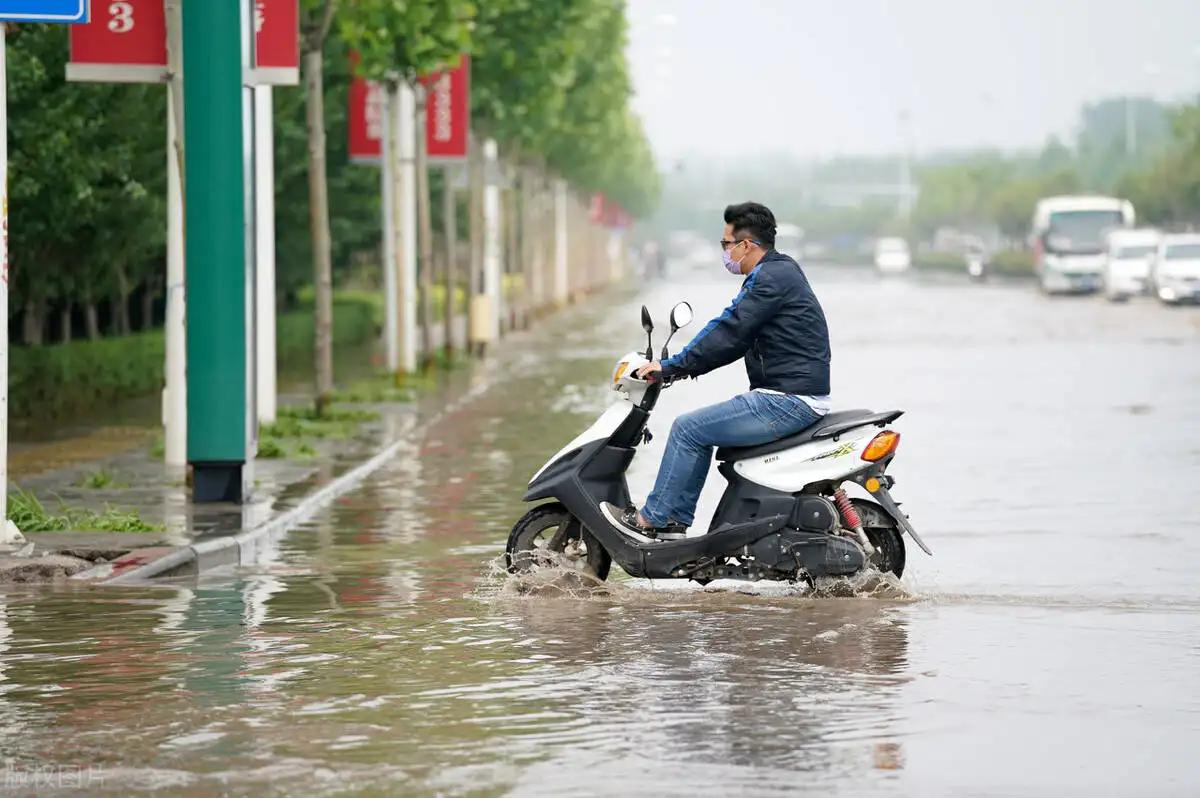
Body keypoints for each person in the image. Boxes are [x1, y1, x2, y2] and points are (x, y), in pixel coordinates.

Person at [601, 202, 832, 540]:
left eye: (726, 244)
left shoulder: (770, 278)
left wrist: (670, 366)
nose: (724, 251)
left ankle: (657, 519)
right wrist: (679, 367)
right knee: (698, 430)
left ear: (746, 245)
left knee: (688, 429)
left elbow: (728, 330)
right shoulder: (778, 272)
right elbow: (733, 341)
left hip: (787, 400)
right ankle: (672, 523)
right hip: (792, 395)